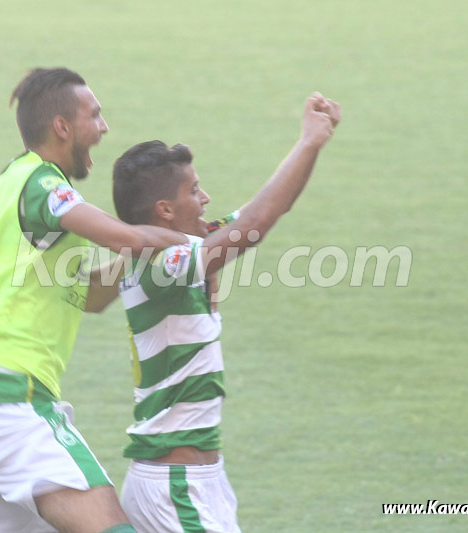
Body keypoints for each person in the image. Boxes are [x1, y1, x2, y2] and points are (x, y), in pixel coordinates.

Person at [0, 67, 186, 533]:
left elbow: (89, 297)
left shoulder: (4, 188)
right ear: (62, 126)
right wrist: (193, 243)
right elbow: (126, 238)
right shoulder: (42, 186)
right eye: (94, 115)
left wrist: (142, 253)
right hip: (12, 409)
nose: (104, 126)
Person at [110, 93, 340, 532]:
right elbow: (253, 226)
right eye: (194, 190)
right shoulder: (158, 266)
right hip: (175, 486)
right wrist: (308, 141)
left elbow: (266, 209)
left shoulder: (183, 247)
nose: (206, 198)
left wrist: (314, 144)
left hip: (199, 481)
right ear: (165, 210)